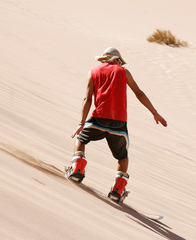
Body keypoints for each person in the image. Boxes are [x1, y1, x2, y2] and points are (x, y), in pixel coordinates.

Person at [66, 47, 167, 202]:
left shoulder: (92, 72)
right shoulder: (124, 72)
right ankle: (117, 189)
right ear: (117, 60)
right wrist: (154, 112)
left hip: (98, 119)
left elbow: (87, 99)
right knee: (123, 158)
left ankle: (78, 169)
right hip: (119, 124)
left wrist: (81, 122)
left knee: (80, 139)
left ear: (104, 59)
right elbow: (139, 93)